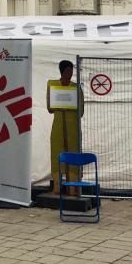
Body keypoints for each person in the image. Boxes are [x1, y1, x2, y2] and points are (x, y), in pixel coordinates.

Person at [46, 60, 84, 192]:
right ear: (62, 71)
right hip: (58, 127)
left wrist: (69, 107)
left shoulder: (76, 87)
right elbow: (50, 108)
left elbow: (81, 111)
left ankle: (74, 188)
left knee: (74, 154)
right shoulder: (52, 85)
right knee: (57, 153)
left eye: (71, 71)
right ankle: (57, 186)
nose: (70, 73)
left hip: (73, 127)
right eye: (68, 71)